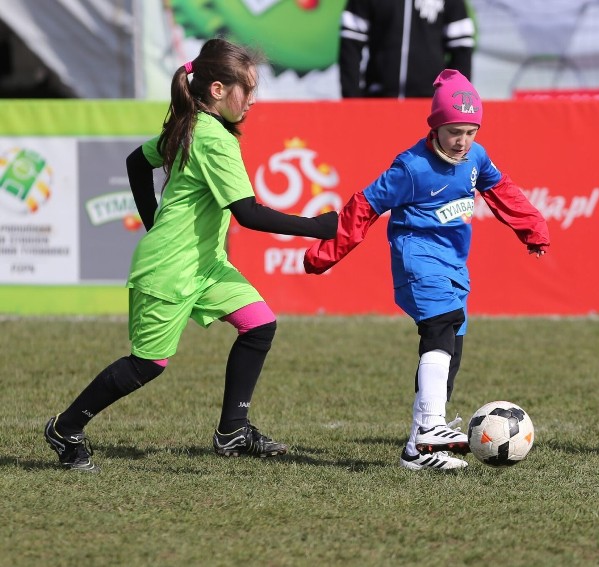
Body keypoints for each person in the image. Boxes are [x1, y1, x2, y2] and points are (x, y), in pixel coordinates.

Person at [44, 38, 338, 472]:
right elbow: (248, 213)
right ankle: (65, 428)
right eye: (248, 90)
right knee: (147, 364)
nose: (253, 100)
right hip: (170, 270)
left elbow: (135, 162)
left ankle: (232, 430)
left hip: (205, 266)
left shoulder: (192, 125)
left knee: (259, 325)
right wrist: (318, 228)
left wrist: (153, 223)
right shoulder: (213, 137)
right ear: (217, 90)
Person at [304, 69, 550, 470]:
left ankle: (418, 451)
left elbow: (502, 191)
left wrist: (533, 230)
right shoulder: (410, 167)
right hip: (417, 261)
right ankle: (432, 427)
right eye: (455, 131)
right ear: (435, 126)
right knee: (441, 326)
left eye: (470, 132)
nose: (462, 141)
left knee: (450, 353)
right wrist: (325, 254)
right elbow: (363, 207)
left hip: (454, 267)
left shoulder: (476, 157)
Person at [338, 0, 475, 98]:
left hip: (430, 104)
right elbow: (350, 45)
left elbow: (461, 49)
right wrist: (352, 98)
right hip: (379, 100)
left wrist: (454, 101)